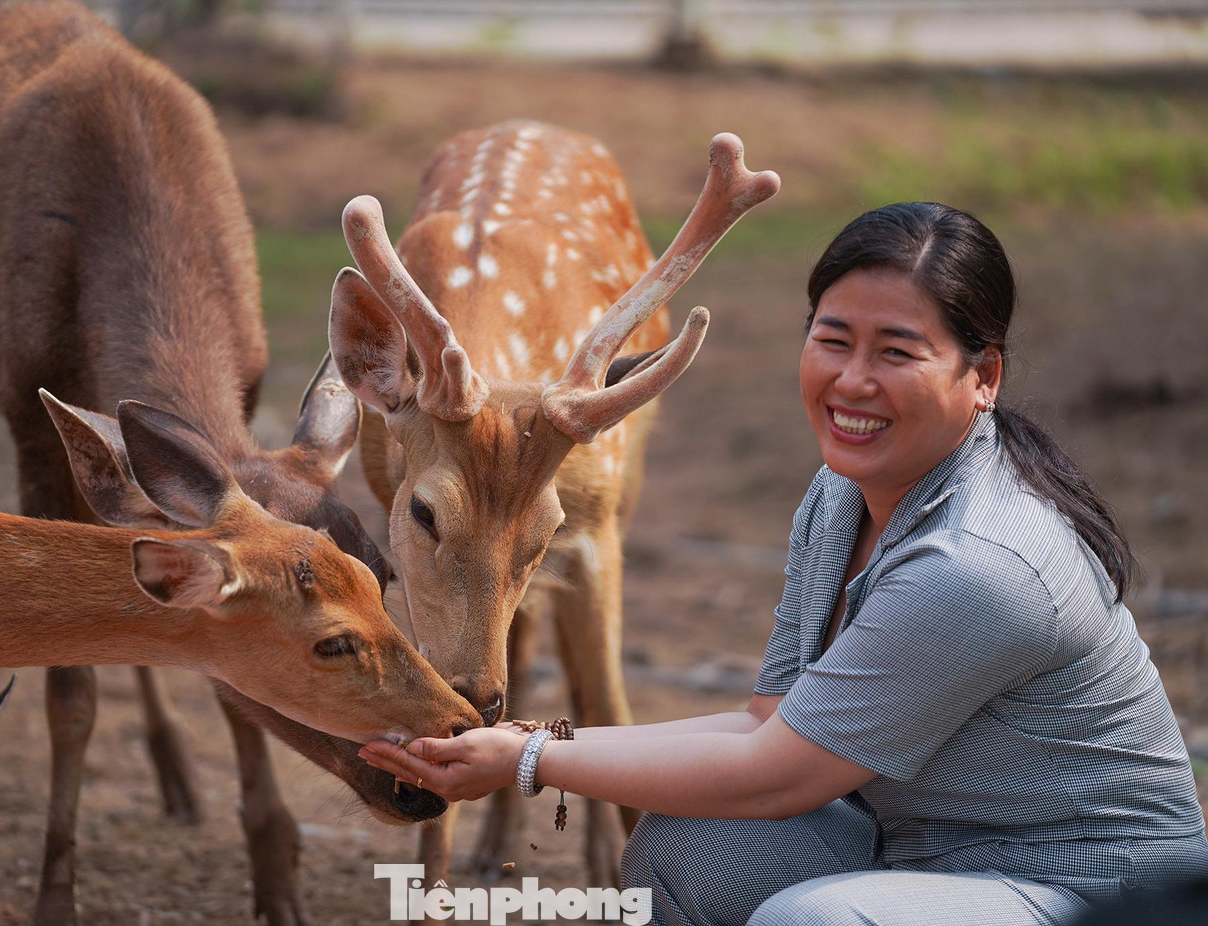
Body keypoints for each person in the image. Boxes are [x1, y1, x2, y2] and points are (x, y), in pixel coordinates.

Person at [359, 202, 1208, 925]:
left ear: (982, 376)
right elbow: (770, 723)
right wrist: (534, 738)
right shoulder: (843, 498)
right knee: (690, 849)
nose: (853, 381)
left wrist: (528, 762)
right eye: (833, 340)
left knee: (810, 919)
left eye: (897, 353)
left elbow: (778, 778)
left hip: (1094, 894)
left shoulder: (979, 566)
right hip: (923, 849)